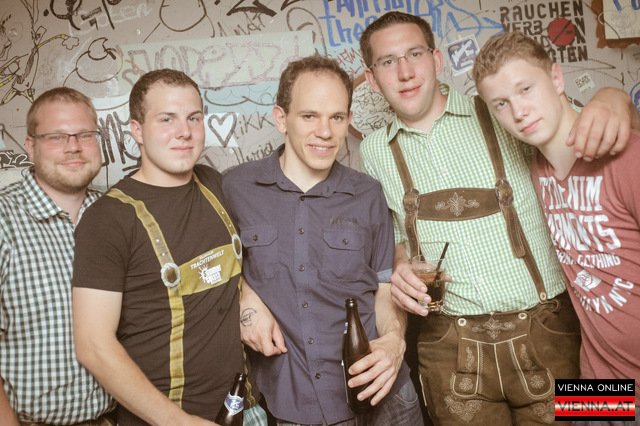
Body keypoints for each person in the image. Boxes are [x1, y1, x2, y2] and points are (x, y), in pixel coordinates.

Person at [358, 11, 640, 425]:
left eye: (415, 54)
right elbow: (398, 232)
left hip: (551, 334)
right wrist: (401, 263)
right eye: (388, 61)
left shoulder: (505, 114)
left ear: (436, 59)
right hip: (469, 350)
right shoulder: (373, 152)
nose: (405, 72)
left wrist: (614, 98)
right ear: (371, 78)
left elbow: (593, 125)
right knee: (597, 418)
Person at [222, 55, 423, 425]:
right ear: (281, 118)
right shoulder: (234, 188)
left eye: (337, 117)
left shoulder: (367, 193)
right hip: (294, 406)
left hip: (386, 399)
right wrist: (244, 295)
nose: (325, 132)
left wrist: (395, 341)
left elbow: (383, 286)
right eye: (309, 116)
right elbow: (207, 266)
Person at [72, 69, 265, 425]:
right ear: (136, 130)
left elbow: (228, 269)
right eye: (166, 119)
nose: (184, 131)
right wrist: (179, 422)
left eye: (193, 118)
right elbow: (93, 345)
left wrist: (250, 299)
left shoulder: (214, 184)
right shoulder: (108, 219)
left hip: (246, 409)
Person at [472, 30, 640, 416]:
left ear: (557, 78)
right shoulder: (538, 169)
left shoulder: (629, 157)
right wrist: (613, 97)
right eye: (501, 104)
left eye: (526, 89)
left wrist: (613, 97)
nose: (519, 112)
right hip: (595, 382)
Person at [0, 87, 114, 425]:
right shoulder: (4, 220)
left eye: (85, 135)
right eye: (56, 137)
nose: (73, 147)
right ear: (30, 145)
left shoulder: (116, 214)